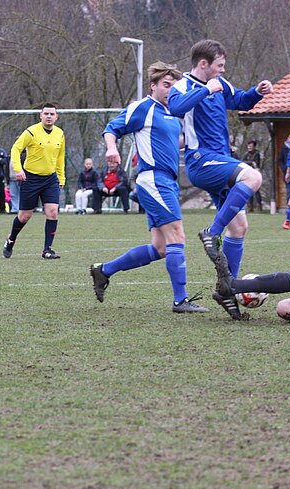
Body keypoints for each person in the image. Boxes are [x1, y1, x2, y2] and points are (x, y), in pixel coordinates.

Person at [90, 61, 208, 313]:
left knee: (162, 247)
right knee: (178, 235)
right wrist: (111, 148)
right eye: (166, 85)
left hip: (166, 181)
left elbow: (169, 143)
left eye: (174, 86)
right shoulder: (143, 107)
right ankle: (181, 301)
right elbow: (112, 128)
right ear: (153, 86)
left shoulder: (172, 114)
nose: (170, 90)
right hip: (154, 180)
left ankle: (104, 270)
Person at [167, 39, 272, 280]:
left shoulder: (220, 84)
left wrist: (258, 91)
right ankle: (212, 232)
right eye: (220, 65)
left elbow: (240, 101)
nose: (223, 69)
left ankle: (228, 287)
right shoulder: (183, 86)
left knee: (239, 228)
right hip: (201, 160)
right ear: (203, 63)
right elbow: (175, 108)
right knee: (253, 176)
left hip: (221, 161)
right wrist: (205, 90)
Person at [3, 103, 65, 259]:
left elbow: (60, 157)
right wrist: (18, 169)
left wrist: (61, 177)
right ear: (41, 115)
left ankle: (47, 249)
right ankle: (11, 239)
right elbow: (16, 149)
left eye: (52, 114)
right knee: (24, 216)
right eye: (46, 114)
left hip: (50, 179)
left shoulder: (60, 134)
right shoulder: (31, 132)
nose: (49, 116)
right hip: (31, 178)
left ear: (56, 117)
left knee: (52, 212)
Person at [242, 140, 263, 213]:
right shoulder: (246, 154)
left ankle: (259, 206)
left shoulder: (257, 154)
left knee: (256, 190)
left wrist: (250, 163)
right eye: (249, 146)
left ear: (254, 147)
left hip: (255, 173)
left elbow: (256, 164)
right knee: (249, 190)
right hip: (248, 173)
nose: (249, 147)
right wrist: (251, 162)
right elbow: (243, 162)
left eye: (251, 146)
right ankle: (250, 206)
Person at [277, 133, 290, 209]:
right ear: (287, 138)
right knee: (288, 191)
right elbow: (280, 160)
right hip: (286, 172)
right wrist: (284, 169)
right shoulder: (283, 148)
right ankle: (289, 207)